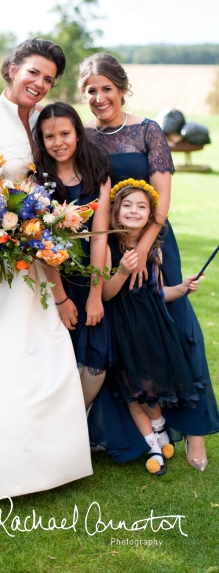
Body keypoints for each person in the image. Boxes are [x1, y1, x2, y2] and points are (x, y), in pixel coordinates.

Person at [0, 38, 93, 503]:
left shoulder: (43, 123)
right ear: (11, 69)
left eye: (48, 79)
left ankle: (49, 462)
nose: (40, 84)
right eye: (33, 73)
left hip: (32, 258)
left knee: (39, 350)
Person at [80, 53, 218, 470]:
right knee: (120, 336)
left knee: (177, 328)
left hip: (154, 243)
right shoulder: (83, 136)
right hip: (106, 244)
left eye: (107, 88)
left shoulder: (148, 131)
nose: (100, 97)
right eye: (91, 90)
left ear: (122, 89)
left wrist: (143, 250)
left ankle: (195, 435)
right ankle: (129, 432)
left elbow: (163, 204)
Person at [102, 182, 205, 475]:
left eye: (141, 207)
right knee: (131, 391)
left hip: (150, 328)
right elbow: (107, 294)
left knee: (149, 389)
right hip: (122, 328)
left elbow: (159, 292)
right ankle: (155, 446)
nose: (134, 211)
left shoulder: (153, 250)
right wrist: (122, 270)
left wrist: (183, 288)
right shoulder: (108, 246)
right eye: (128, 205)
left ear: (150, 217)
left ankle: (159, 433)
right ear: (117, 210)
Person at [32, 102, 113, 408]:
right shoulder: (39, 181)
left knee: (97, 363)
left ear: (78, 132)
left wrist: (95, 294)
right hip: (54, 279)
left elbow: (99, 237)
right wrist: (61, 299)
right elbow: (43, 245)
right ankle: (64, 426)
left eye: (64, 133)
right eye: (49, 136)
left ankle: (75, 421)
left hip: (88, 276)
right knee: (58, 358)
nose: (58, 142)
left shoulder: (98, 171)